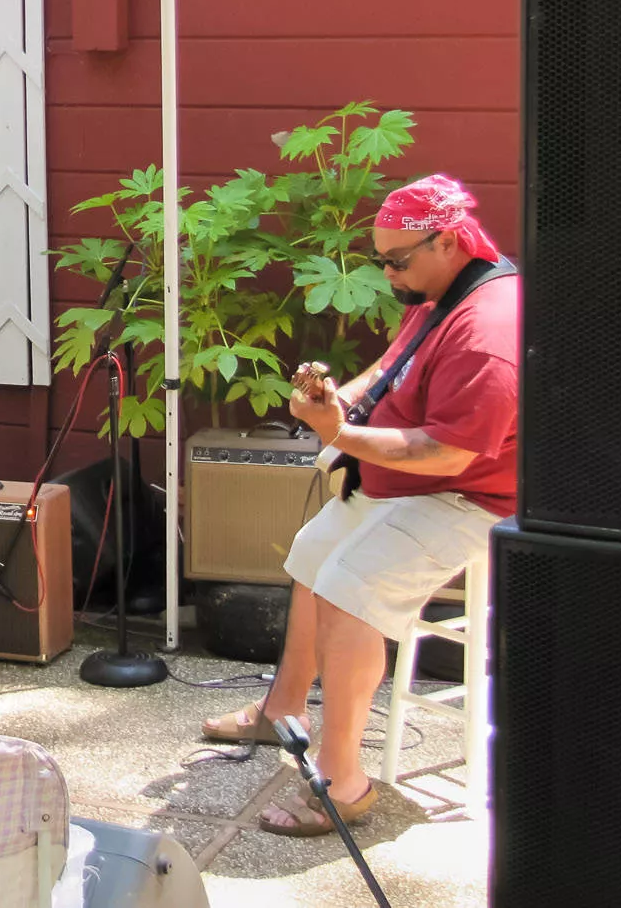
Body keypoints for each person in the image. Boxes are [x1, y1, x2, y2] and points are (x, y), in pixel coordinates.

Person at [201, 174, 518, 836]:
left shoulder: (488, 331)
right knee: (314, 547)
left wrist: (342, 436)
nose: (386, 272)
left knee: (350, 583)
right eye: (380, 258)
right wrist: (336, 401)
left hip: (473, 496)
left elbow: (451, 455)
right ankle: (285, 709)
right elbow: (390, 365)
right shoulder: (433, 287)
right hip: (421, 477)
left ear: (451, 241)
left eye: (397, 259)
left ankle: (345, 781)